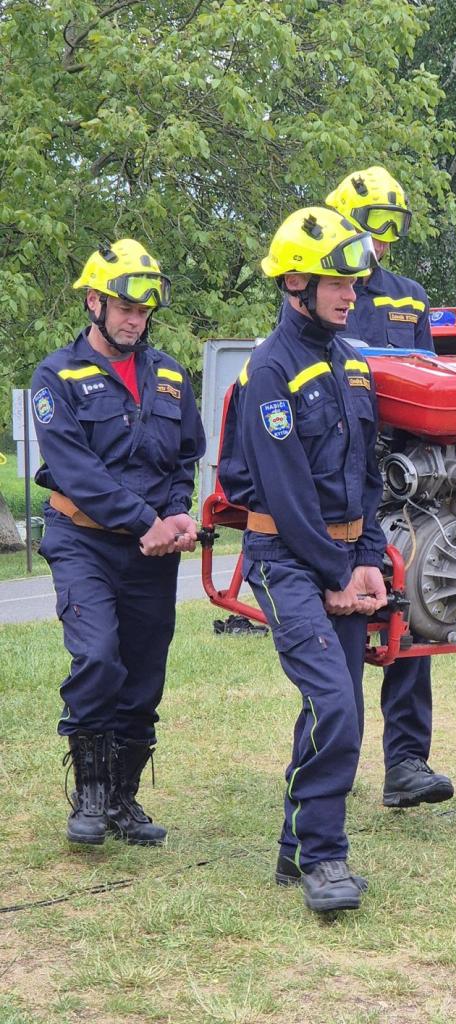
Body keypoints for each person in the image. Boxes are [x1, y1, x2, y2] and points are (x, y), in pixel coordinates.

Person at [217, 207, 388, 913]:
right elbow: (286, 496)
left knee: (338, 705)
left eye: (354, 282)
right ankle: (323, 857)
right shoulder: (270, 370)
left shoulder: (353, 364)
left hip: (344, 554)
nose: (352, 294)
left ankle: (295, 849)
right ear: (295, 283)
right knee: (334, 702)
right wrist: (337, 573)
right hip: (286, 557)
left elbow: (372, 474)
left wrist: (368, 558)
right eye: (336, 282)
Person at [32, 239, 205, 847]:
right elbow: (77, 472)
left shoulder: (170, 375)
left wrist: (176, 513)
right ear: (94, 302)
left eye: (144, 310)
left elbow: (184, 457)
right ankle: (90, 795)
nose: (136, 320)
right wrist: (145, 520)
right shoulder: (57, 376)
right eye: (126, 307)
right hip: (83, 541)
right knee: (99, 657)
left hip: (152, 552)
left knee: (144, 675)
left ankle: (122, 799)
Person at [325, 165, 454, 809]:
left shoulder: (410, 296)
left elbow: (429, 379)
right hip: (344, 473)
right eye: (372, 225)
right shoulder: (323, 289)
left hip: (406, 476)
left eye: (391, 228)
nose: (381, 241)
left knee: (415, 607)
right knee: (346, 615)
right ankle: (334, 762)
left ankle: (406, 763)